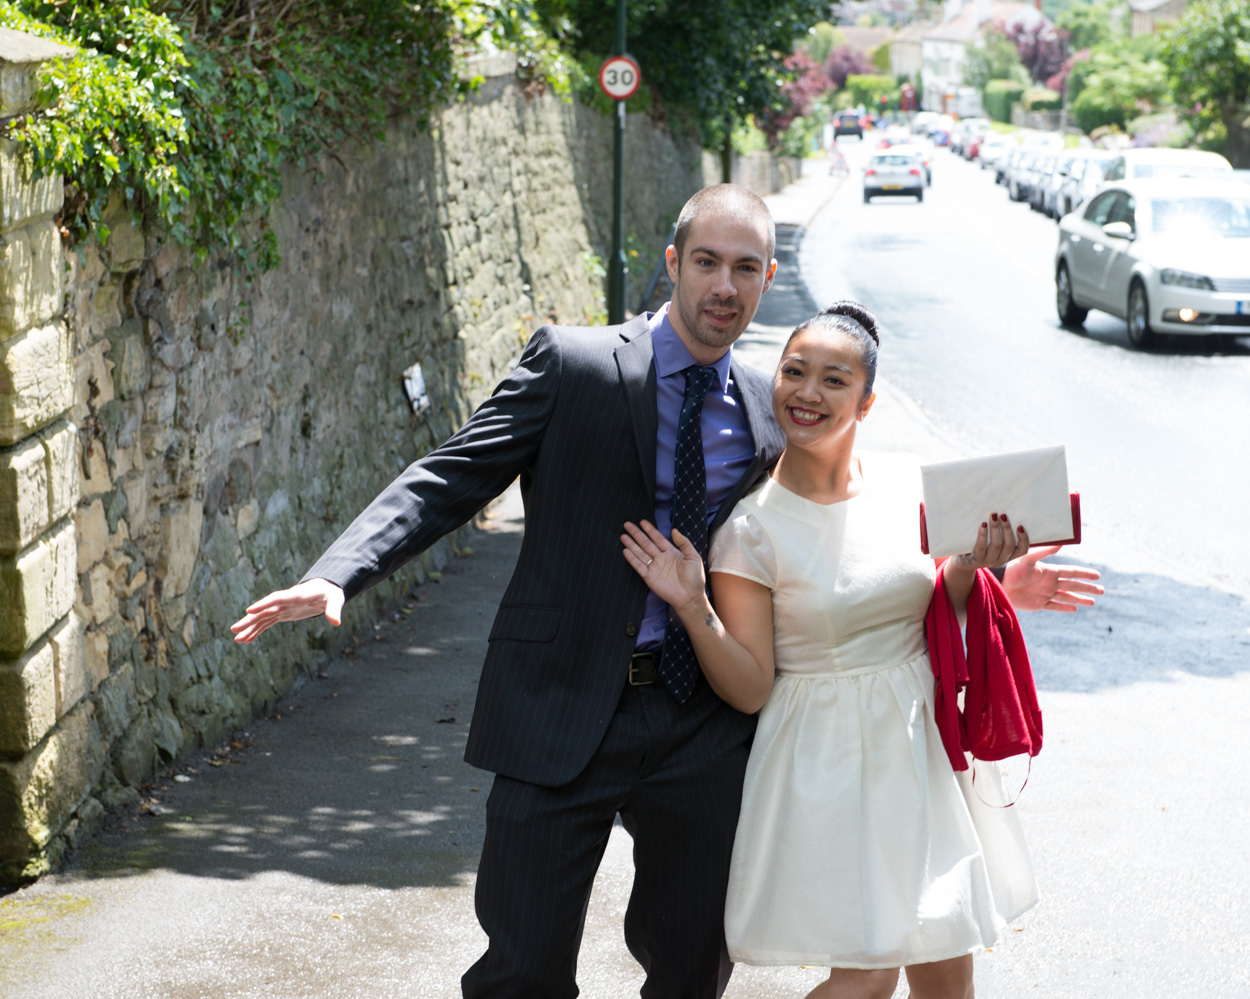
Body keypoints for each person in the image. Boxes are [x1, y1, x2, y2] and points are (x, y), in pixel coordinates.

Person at [232, 187, 1102, 998]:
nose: (725, 286)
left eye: (746, 268)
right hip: (556, 704)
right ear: (674, 260)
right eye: (708, 262)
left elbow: (839, 543)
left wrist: (988, 580)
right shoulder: (573, 362)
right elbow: (452, 473)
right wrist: (338, 571)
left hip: (700, 724)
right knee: (522, 967)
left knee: (691, 971)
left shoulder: (771, 407)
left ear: (766, 278)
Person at [620, 301, 1062, 999]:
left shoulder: (907, 483)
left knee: (948, 967)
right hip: (826, 762)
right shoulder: (752, 530)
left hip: (918, 750)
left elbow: (928, 608)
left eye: (834, 379)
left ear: (867, 401)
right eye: (795, 371)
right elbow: (751, 686)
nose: (808, 392)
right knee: (869, 975)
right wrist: (693, 605)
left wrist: (986, 573)